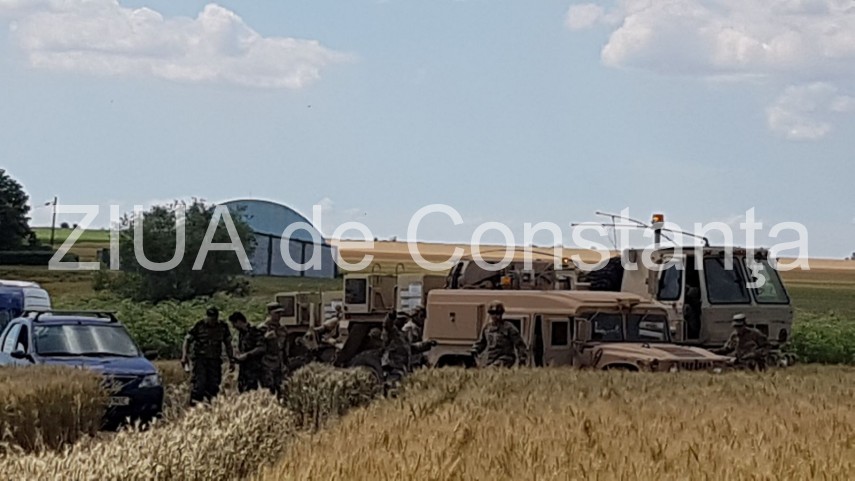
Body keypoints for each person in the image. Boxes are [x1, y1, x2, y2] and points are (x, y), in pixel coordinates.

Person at [182, 307, 235, 405]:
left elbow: (228, 344)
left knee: (214, 385)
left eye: (214, 319)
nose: (212, 321)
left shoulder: (223, 327)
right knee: (199, 384)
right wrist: (184, 356)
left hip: (215, 360)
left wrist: (231, 359)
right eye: (210, 318)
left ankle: (211, 406)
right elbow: (187, 340)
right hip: (200, 359)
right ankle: (195, 407)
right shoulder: (199, 325)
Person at [471, 300, 528, 368]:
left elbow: (520, 344)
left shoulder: (509, 328)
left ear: (501, 314)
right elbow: (482, 342)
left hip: (505, 358)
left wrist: (522, 359)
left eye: (497, 314)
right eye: (492, 314)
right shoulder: (487, 328)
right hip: (491, 359)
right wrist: (475, 350)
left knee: (491, 369)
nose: (495, 316)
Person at [228, 311, 265, 393]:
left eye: (234, 324)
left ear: (239, 321)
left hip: (253, 368)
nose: (233, 327)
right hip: (244, 368)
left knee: (251, 390)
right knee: (242, 389)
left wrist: (247, 355)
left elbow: (261, 348)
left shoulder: (254, 331)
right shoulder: (241, 334)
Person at [260, 303, 288, 395]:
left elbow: (284, 348)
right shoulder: (262, 328)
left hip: (279, 364)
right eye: (276, 313)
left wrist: (286, 363)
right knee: (268, 390)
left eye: (280, 313)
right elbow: (256, 347)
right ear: (269, 313)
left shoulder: (283, 329)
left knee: (282, 389)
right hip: (266, 363)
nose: (279, 316)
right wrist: (264, 338)